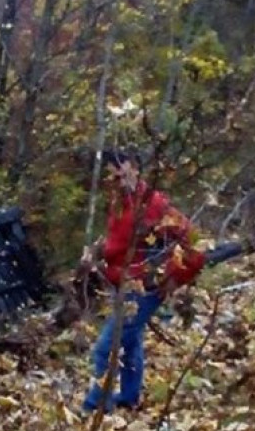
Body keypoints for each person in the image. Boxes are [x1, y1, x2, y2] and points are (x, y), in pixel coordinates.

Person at [82, 151, 206, 412]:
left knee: (106, 347)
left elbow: (195, 247)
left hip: (144, 288)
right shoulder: (119, 201)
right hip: (122, 285)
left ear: (135, 168)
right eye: (110, 171)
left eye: (119, 169)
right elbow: (120, 246)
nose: (114, 176)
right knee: (130, 343)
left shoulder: (154, 204)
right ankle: (128, 398)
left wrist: (174, 277)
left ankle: (95, 408)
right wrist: (97, 253)